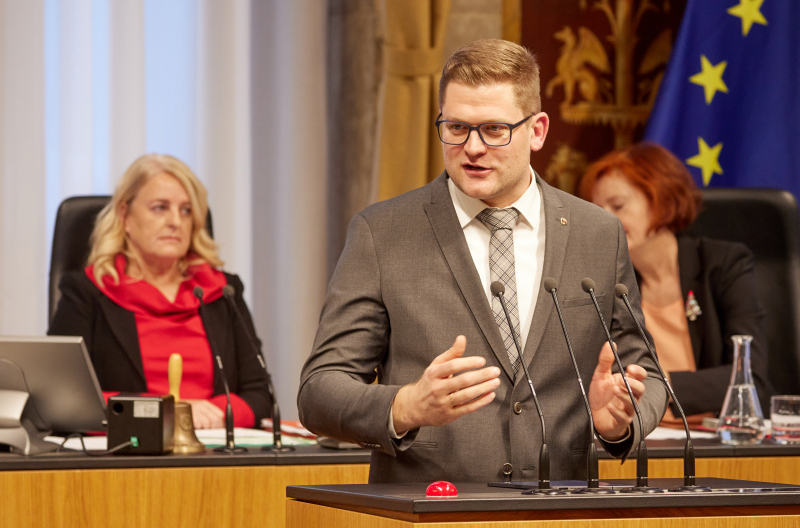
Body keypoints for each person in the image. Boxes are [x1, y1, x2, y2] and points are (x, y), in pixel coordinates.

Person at [298, 39, 668, 484]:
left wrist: (619, 423)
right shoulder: (383, 233)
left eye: (494, 129)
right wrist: (406, 406)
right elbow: (320, 390)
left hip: (561, 508)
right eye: (456, 127)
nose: (472, 147)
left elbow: (647, 373)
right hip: (431, 509)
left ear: (537, 130)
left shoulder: (598, 233)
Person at [49, 154, 272, 429]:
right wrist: (165, 413)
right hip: (125, 459)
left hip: (212, 452)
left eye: (186, 210)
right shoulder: (88, 293)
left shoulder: (221, 292)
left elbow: (260, 394)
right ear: (125, 217)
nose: (175, 221)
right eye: (160, 208)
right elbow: (62, 398)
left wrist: (219, 411)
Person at [580, 142, 773, 421]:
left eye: (618, 205)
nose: (604, 220)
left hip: (724, 440)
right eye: (597, 210)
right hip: (643, 439)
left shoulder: (722, 264)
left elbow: (750, 376)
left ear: (662, 199)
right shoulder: (600, 281)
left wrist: (658, 386)